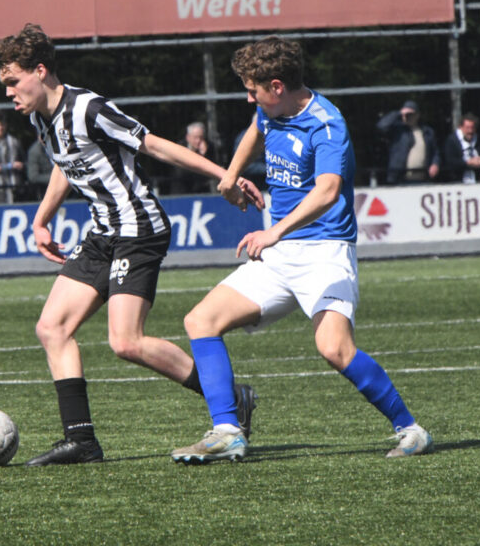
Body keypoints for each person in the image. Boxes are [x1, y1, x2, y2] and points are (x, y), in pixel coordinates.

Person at [0, 23, 264, 467]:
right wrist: (41, 220)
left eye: (13, 81)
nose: (8, 93)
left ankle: (229, 397)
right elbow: (64, 165)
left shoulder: (89, 108)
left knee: (126, 341)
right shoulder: (41, 118)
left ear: (40, 71)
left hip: (139, 230)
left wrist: (225, 176)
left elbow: (154, 145)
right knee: (52, 328)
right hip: (103, 233)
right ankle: (81, 441)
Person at [170, 35, 434, 464]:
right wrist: (230, 176)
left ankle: (411, 430)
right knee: (201, 320)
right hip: (281, 254)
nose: (249, 98)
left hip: (325, 252)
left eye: (253, 89)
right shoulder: (270, 110)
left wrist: (274, 232)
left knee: (334, 349)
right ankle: (227, 431)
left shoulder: (327, 124)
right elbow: (255, 130)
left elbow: (328, 191)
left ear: (277, 87)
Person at [377, 100, 440, 185]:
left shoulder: (427, 132)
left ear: (417, 115)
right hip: (400, 179)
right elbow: (381, 126)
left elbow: (435, 152)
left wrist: (435, 164)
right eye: (405, 115)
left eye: (410, 114)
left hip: (423, 179)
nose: (407, 117)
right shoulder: (398, 131)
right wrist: (399, 113)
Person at [169, 122, 215, 194]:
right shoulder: (179, 148)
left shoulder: (209, 148)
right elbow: (180, 173)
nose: (198, 141)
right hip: (181, 191)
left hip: (202, 190)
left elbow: (211, 171)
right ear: (188, 137)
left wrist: (203, 155)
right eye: (195, 137)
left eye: (201, 137)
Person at [442, 113, 480, 184]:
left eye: (472, 128)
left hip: (478, 181)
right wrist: (467, 163)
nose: (470, 131)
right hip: (457, 181)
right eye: (467, 128)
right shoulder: (452, 141)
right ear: (461, 127)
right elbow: (450, 162)